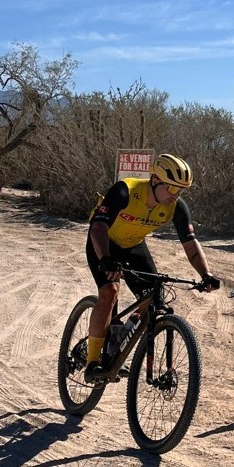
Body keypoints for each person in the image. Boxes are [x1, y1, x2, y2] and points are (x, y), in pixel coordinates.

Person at [84, 153, 220, 383]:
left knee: (153, 297)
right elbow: (98, 226)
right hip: (104, 243)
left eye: (181, 191)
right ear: (155, 181)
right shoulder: (124, 191)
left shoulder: (176, 206)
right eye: (171, 189)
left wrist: (205, 274)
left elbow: (190, 243)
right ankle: (92, 363)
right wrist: (106, 259)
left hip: (134, 246)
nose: (175, 195)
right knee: (110, 292)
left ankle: (118, 337)